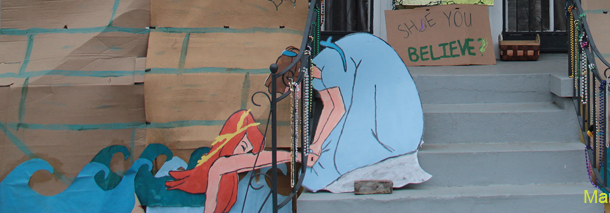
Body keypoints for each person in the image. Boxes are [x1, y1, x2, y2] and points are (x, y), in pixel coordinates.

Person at [302, 34, 430, 193]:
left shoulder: (328, 66)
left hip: (381, 83)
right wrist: (317, 144)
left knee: (347, 135)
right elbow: (329, 105)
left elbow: (337, 108)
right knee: (335, 140)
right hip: (371, 74)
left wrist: (317, 145)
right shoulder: (317, 70)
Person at [165, 110, 297, 213]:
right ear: (232, 138)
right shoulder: (220, 164)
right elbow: (255, 160)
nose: (243, 155)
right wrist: (294, 156)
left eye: (248, 151)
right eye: (244, 147)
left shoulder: (229, 174)